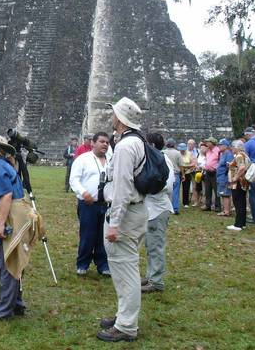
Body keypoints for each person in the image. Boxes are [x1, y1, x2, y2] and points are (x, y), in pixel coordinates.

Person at [98, 97, 148, 343]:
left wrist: (115, 223)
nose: (112, 117)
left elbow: (122, 187)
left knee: (125, 270)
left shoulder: (127, 146)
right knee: (123, 268)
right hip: (135, 212)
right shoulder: (136, 141)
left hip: (126, 215)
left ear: (120, 117)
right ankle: (123, 315)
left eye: (114, 113)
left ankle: (127, 325)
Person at [0, 134, 41, 320]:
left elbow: (6, 195)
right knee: (13, 260)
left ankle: (4, 310)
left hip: (9, 216)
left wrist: (0, 224)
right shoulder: (1, 165)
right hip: (16, 213)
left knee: (7, 263)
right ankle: (16, 303)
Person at [68, 132, 111, 276]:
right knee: (87, 235)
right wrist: (83, 192)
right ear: (93, 143)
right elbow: (74, 179)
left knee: (103, 236)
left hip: (106, 204)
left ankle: (103, 264)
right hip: (88, 204)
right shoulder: (83, 159)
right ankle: (83, 264)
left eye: (107, 142)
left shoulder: (111, 160)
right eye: (102, 141)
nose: (105, 144)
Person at [142, 133, 174, 294]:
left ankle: (156, 281)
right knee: (150, 245)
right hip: (151, 209)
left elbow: (167, 186)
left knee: (156, 245)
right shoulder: (155, 160)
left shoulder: (163, 160)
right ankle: (151, 275)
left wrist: (145, 186)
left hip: (158, 209)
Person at [226, 140, 251, 232]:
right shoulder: (244, 155)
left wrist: (235, 177)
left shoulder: (239, 156)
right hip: (243, 182)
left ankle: (238, 224)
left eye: (233, 147)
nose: (232, 149)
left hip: (238, 183)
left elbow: (242, 168)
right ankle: (242, 223)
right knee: (242, 202)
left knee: (238, 202)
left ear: (237, 147)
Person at [162, 138, 182, 214]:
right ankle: (175, 208)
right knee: (175, 191)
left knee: (165, 191)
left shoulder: (163, 152)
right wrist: (183, 174)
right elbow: (181, 165)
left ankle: (166, 208)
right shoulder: (178, 153)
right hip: (175, 174)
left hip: (166, 174)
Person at [216, 139, 234, 216]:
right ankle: (226, 210)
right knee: (223, 194)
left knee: (225, 194)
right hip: (221, 176)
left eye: (221, 145)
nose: (219, 146)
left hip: (225, 176)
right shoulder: (223, 154)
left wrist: (227, 177)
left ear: (225, 146)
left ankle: (226, 211)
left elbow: (229, 166)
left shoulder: (228, 154)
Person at [203, 137, 221, 212]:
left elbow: (220, 161)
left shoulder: (218, 150)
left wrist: (216, 168)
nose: (206, 144)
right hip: (208, 172)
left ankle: (217, 206)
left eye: (208, 142)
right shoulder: (208, 150)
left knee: (216, 189)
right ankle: (208, 205)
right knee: (207, 189)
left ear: (212, 143)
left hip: (215, 172)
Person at [178, 142, 195, 208]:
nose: (182, 151)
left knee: (186, 188)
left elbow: (193, 163)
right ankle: (175, 202)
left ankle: (186, 202)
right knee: (176, 188)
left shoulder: (190, 154)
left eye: (183, 150)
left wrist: (186, 166)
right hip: (179, 172)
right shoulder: (177, 154)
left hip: (187, 173)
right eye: (181, 150)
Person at [192, 142, 207, 207]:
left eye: (204, 148)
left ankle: (204, 202)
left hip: (205, 173)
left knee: (205, 188)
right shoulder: (197, 155)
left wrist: (203, 167)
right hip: (197, 173)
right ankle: (196, 202)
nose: (203, 149)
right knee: (196, 188)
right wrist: (196, 166)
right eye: (201, 148)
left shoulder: (207, 156)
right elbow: (194, 163)